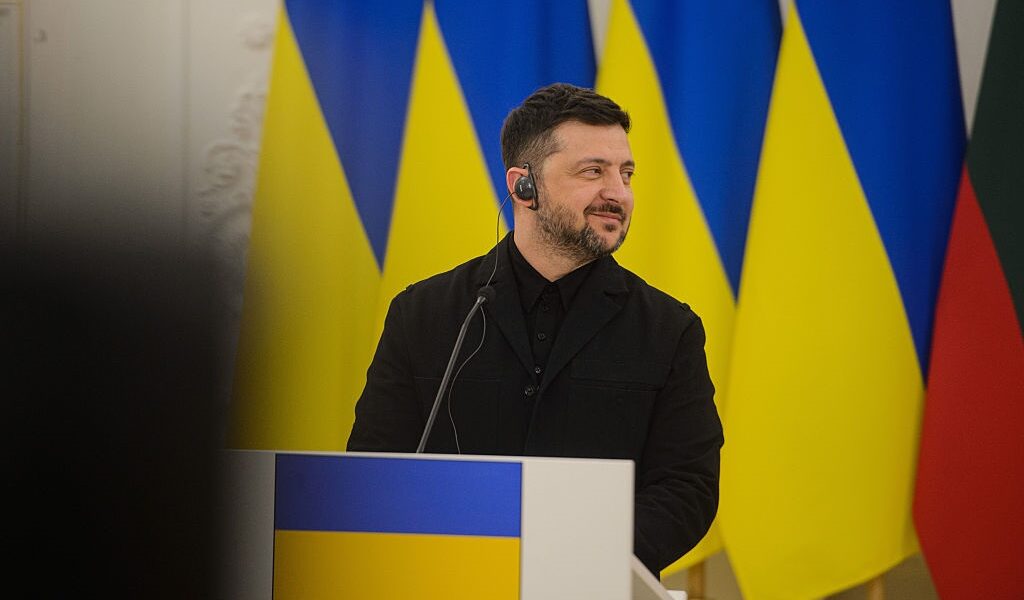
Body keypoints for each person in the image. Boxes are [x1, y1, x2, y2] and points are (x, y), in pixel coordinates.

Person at [347, 83, 723, 576]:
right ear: (523, 185)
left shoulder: (670, 330)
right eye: (593, 171)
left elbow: (687, 488)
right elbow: (375, 469)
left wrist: (573, 559)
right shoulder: (423, 313)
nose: (618, 193)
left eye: (626, 173)